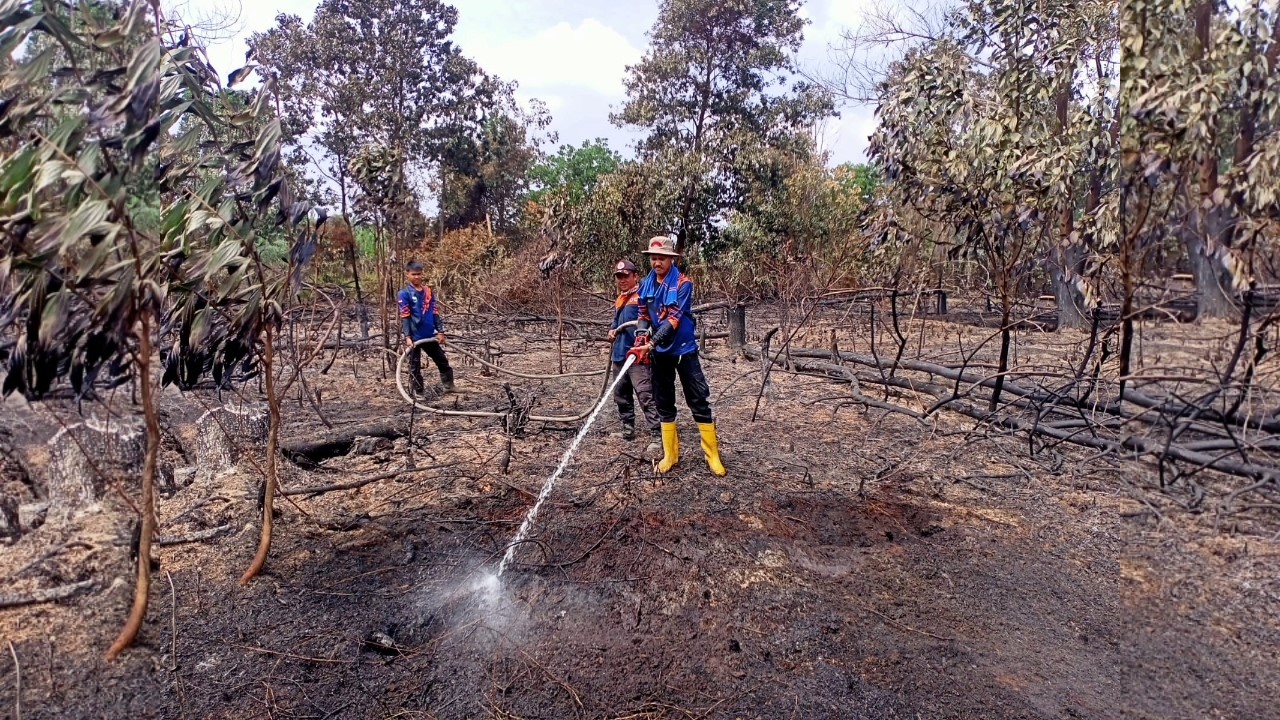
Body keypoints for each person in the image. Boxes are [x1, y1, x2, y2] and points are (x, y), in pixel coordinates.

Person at [627, 236, 726, 476]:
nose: (656, 262)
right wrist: (641, 336)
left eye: (661, 258)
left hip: (684, 351)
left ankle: (712, 455)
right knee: (663, 401)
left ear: (671, 259)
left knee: (698, 398)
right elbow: (643, 313)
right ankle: (670, 455)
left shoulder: (683, 284)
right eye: (653, 258)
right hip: (660, 354)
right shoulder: (646, 285)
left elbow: (673, 318)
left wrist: (650, 343)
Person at [607, 258, 661, 446]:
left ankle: (657, 434)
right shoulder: (620, 298)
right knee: (621, 395)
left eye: (626, 276)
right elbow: (616, 321)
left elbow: (653, 322)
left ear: (635, 276)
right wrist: (613, 330)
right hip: (620, 354)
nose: (622, 280)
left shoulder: (643, 297)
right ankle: (628, 429)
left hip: (638, 356)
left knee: (645, 394)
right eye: (619, 277)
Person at [398, 260, 455, 395]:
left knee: (442, 360)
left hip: (429, 335)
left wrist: (440, 331)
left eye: (419, 274)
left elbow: (435, 312)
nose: (417, 277)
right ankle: (418, 393)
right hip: (414, 337)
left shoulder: (428, 291)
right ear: (407, 274)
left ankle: (449, 385)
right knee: (414, 366)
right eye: (413, 274)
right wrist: (407, 337)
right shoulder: (404, 294)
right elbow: (405, 316)